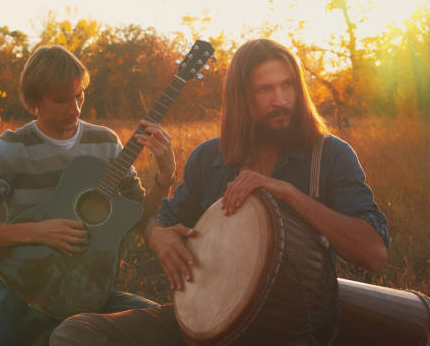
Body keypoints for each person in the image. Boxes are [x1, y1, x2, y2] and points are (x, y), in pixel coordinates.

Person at [50, 38, 390, 345]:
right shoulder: (209, 157)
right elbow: (159, 218)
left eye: (288, 86)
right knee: (76, 333)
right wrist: (156, 235)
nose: (281, 100)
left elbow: (374, 252)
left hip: (291, 331)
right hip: (205, 326)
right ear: (241, 98)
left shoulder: (330, 155)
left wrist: (288, 193)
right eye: (265, 89)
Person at [0, 45, 176, 346]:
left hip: (90, 292)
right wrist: (37, 232)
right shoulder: (12, 150)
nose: (74, 109)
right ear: (34, 101)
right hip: (26, 292)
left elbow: (139, 217)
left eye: (79, 95)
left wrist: (164, 177)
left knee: (171, 328)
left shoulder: (105, 143)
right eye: (61, 100)